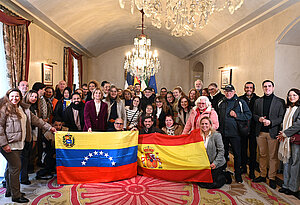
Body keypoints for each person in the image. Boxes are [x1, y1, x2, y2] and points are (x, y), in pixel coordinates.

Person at [0, 88, 56, 203]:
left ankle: (9, 190)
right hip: (9, 144)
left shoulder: (23, 108)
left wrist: (50, 128)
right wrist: (4, 144)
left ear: (20, 97)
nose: (14, 98)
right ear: (8, 96)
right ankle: (16, 195)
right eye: (12, 96)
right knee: (16, 167)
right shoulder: (4, 108)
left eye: (17, 96)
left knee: (10, 167)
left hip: (20, 143)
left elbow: (36, 120)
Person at [252, 80, 285, 189]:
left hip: (273, 133)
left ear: (273, 88)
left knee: (273, 156)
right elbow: (254, 115)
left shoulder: (280, 101)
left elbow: (281, 117)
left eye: (269, 86)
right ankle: (262, 175)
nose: (267, 88)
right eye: (265, 86)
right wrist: (259, 119)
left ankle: (272, 177)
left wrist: (271, 122)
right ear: (262, 88)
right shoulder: (258, 101)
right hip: (260, 132)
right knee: (262, 155)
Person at [217, 84, 252, 183]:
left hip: (235, 134)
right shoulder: (221, 102)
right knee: (223, 153)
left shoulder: (241, 102)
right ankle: (222, 171)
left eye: (230, 91)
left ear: (234, 92)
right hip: (223, 133)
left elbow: (248, 115)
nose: (228, 93)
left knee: (237, 154)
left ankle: (237, 175)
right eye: (226, 91)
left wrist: (237, 115)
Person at [277, 88, 300, 199]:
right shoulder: (287, 108)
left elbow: (298, 125)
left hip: (295, 140)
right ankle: (285, 185)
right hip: (286, 139)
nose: (292, 97)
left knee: (295, 163)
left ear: (299, 96)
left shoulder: (299, 109)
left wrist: (285, 133)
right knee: (286, 161)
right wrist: (283, 133)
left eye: (294, 95)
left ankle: (293, 188)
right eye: (290, 95)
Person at [197, 117, 226, 189]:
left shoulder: (216, 135)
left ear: (210, 125)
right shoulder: (198, 135)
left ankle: (225, 175)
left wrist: (215, 163)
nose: (204, 126)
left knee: (212, 184)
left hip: (216, 163)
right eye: (202, 124)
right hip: (205, 164)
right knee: (200, 182)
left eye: (206, 124)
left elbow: (221, 151)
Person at [239, 82, 260, 178]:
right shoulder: (240, 99)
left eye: (250, 88)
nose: (248, 89)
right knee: (242, 149)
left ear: (253, 89)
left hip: (253, 128)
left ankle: (252, 171)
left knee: (252, 151)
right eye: (247, 87)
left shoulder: (258, 99)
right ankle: (243, 167)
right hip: (242, 128)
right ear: (244, 88)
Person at [20, 90, 39, 185]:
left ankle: (23, 177)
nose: (34, 99)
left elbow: (37, 122)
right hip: (21, 136)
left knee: (26, 157)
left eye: (36, 97)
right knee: (20, 159)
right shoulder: (22, 107)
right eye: (32, 96)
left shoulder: (33, 108)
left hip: (30, 135)